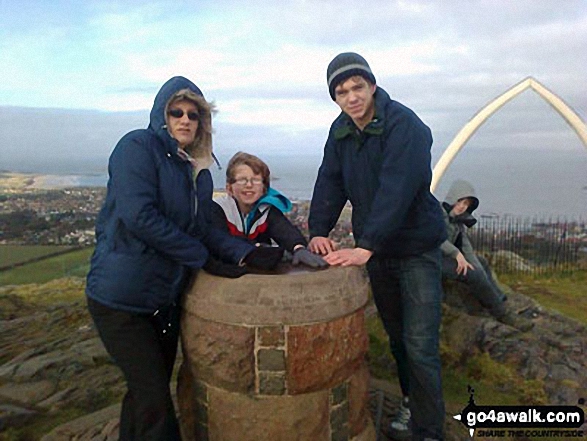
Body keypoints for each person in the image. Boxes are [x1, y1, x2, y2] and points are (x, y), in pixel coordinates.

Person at [85, 76, 282, 440]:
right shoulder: (136, 148)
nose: (185, 119)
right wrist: (199, 256)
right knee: (156, 402)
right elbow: (139, 216)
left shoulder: (196, 169)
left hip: (162, 299)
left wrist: (247, 254)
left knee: (146, 393)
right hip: (121, 299)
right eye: (176, 111)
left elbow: (202, 228)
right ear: (162, 114)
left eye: (194, 114)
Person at [308, 52, 447, 441]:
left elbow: (398, 190)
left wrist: (366, 245)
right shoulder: (340, 132)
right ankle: (411, 402)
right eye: (341, 91)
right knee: (400, 339)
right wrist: (318, 229)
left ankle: (429, 430)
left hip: (415, 248)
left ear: (372, 85)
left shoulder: (405, 126)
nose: (351, 97)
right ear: (334, 98)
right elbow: (330, 181)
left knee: (421, 344)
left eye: (357, 87)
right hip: (380, 253)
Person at [206, 151, 327, 277]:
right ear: (229, 188)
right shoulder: (218, 209)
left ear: (264, 188)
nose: (249, 185)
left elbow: (283, 230)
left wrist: (299, 248)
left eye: (256, 180)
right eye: (242, 180)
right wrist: (255, 249)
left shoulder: (266, 209)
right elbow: (220, 240)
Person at [440, 180, 534, 331]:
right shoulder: (436, 213)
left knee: (480, 263)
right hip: (430, 259)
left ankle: (497, 299)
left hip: (445, 257)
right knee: (471, 273)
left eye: (466, 204)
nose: (462, 206)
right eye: (460, 201)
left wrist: (477, 267)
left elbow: (466, 246)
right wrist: (457, 255)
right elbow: (434, 239)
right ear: (453, 198)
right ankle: (502, 314)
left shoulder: (457, 222)